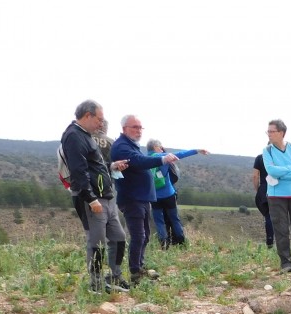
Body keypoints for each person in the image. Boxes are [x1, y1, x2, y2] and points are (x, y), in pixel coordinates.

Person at [60, 99, 130, 292]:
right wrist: (90, 198)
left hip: (106, 196)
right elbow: (78, 171)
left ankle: (114, 276)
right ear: (87, 115)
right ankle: (96, 284)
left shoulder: (86, 135)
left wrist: (112, 166)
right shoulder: (74, 136)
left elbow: (95, 168)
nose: (101, 124)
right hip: (93, 199)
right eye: (99, 119)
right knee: (97, 243)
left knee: (119, 237)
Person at [111, 115, 178, 283]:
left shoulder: (130, 144)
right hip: (132, 198)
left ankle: (139, 266)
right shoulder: (121, 147)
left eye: (140, 127)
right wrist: (162, 158)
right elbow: (139, 161)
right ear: (124, 128)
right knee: (138, 235)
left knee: (145, 235)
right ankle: (135, 273)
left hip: (141, 198)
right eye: (135, 127)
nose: (138, 130)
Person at [261, 119, 291, 272]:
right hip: (276, 195)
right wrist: (290, 168)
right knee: (281, 230)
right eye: (268, 131)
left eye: (271, 131)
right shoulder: (267, 151)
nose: (269, 134)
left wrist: (281, 173)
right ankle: (286, 264)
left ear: (281, 133)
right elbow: (271, 171)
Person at [146, 139, 209, 248]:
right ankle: (182, 242)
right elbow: (181, 154)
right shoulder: (164, 156)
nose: (161, 149)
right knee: (174, 219)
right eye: (160, 147)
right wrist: (197, 150)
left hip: (154, 196)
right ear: (155, 147)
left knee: (159, 221)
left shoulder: (143, 159)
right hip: (169, 194)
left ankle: (164, 244)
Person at [251, 152, 274, 249]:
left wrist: (258, 190)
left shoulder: (260, 158)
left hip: (264, 189)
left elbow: (255, 176)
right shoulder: (280, 157)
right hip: (278, 188)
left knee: (268, 216)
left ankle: (270, 241)